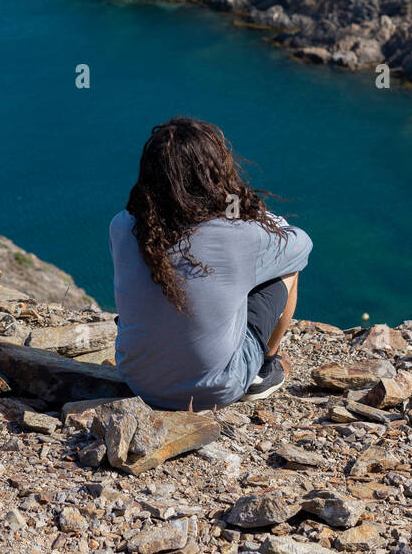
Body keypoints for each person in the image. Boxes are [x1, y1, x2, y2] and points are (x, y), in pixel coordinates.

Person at [109, 116, 312, 410]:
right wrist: (255, 215)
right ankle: (263, 370)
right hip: (216, 389)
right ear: (213, 174)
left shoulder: (123, 226)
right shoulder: (236, 235)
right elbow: (301, 244)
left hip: (137, 379)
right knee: (286, 269)